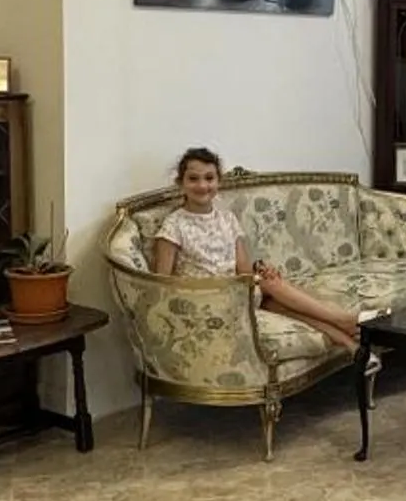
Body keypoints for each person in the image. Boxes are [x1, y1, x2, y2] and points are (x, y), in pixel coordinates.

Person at [149, 147, 366, 350]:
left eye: (209, 178)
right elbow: (161, 281)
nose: (202, 185)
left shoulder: (227, 219)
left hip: (237, 292)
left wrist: (260, 270)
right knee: (272, 287)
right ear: (181, 183)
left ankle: (350, 345)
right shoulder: (174, 225)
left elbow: (243, 269)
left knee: (276, 298)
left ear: (218, 181)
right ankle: (342, 319)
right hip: (205, 299)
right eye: (193, 179)